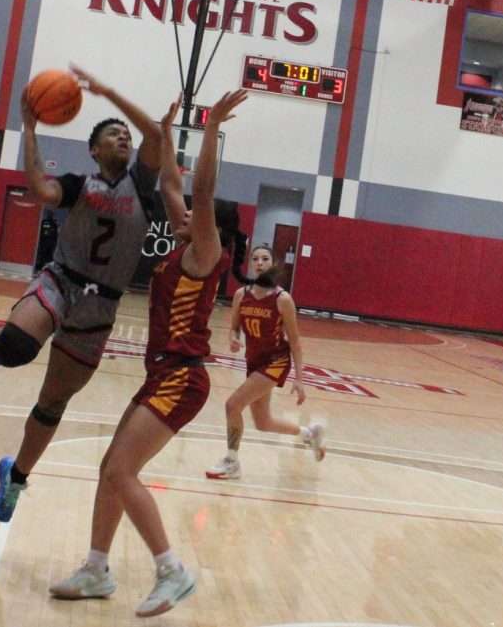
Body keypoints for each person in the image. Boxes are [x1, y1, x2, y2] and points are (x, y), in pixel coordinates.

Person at [48, 90, 246, 617]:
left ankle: (171, 570)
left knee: (120, 472)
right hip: (162, 375)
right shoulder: (183, 245)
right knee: (109, 468)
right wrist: (164, 132)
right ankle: (95, 568)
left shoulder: (206, 253)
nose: (179, 214)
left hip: (182, 377)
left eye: (192, 216)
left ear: (210, 231)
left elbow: (199, 193)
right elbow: (174, 185)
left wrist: (209, 130)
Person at [0, 66, 162, 523]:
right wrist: (29, 127)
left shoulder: (142, 183)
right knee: (17, 347)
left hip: (101, 307)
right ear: (95, 149)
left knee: (52, 403)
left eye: (126, 135)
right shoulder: (82, 185)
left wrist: (111, 92)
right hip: (62, 281)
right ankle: (2, 345)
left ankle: (15, 476)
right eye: (113, 134)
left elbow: (155, 134)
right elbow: (39, 187)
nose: (124, 138)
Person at [205, 244, 325, 480]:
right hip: (254, 360)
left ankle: (232, 462)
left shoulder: (282, 299)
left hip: (275, 361)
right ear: (251, 263)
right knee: (262, 422)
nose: (259, 262)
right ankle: (308, 434)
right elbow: (234, 329)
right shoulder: (242, 295)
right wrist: (233, 340)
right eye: (255, 258)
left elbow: (296, 342)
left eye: (265, 259)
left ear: (272, 264)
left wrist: (300, 379)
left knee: (232, 405)